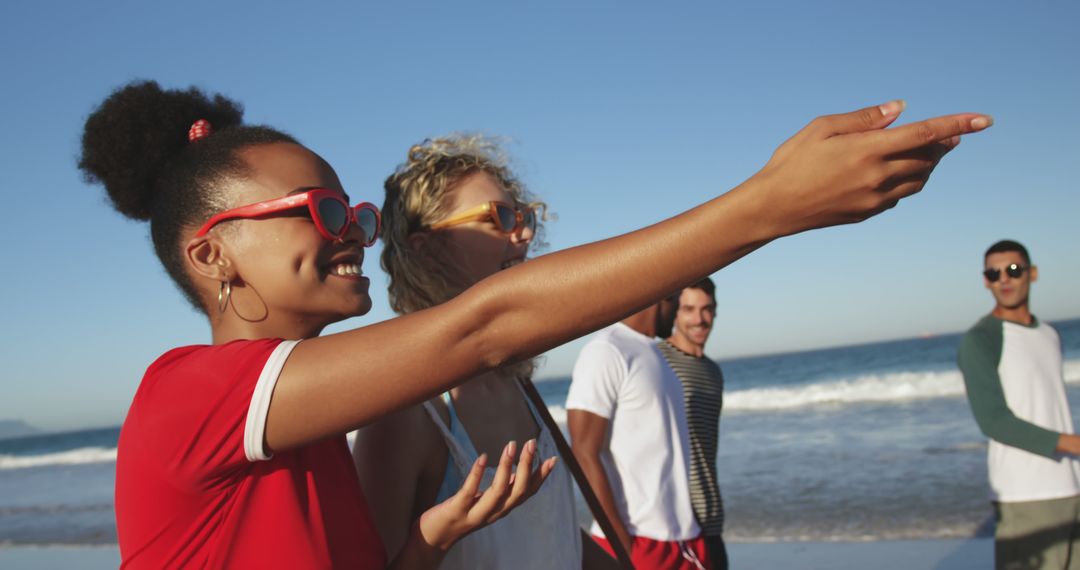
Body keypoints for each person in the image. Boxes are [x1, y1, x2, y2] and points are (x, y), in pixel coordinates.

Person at [79, 79, 988, 569]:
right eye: (315, 212)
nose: (351, 231)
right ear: (213, 255)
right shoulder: (186, 398)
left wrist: (431, 539)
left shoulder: (307, 430)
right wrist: (767, 206)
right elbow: (480, 330)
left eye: (350, 210)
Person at [353, 134, 614, 569]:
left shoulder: (518, 382)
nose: (525, 231)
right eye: (501, 216)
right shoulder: (407, 413)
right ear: (426, 246)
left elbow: (549, 532)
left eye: (524, 215)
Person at [958, 240, 1080, 569]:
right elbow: (994, 421)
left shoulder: (1050, 334)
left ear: (1032, 273)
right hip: (1025, 494)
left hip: (1071, 483)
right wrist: (1073, 443)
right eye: (993, 273)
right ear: (986, 281)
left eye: (1013, 270)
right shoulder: (981, 339)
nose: (1004, 279)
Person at [567, 295, 712, 568]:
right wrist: (621, 542)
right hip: (638, 543)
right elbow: (583, 450)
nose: (679, 310)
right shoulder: (607, 349)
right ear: (664, 295)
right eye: (679, 298)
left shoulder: (655, 353)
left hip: (686, 541)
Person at [657, 278, 728, 569]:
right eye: (689, 309)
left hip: (711, 518)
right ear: (675, 311)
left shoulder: (713, 371)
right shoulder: (659, 361)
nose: (699, 319)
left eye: (706, 309)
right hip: (675, 522)